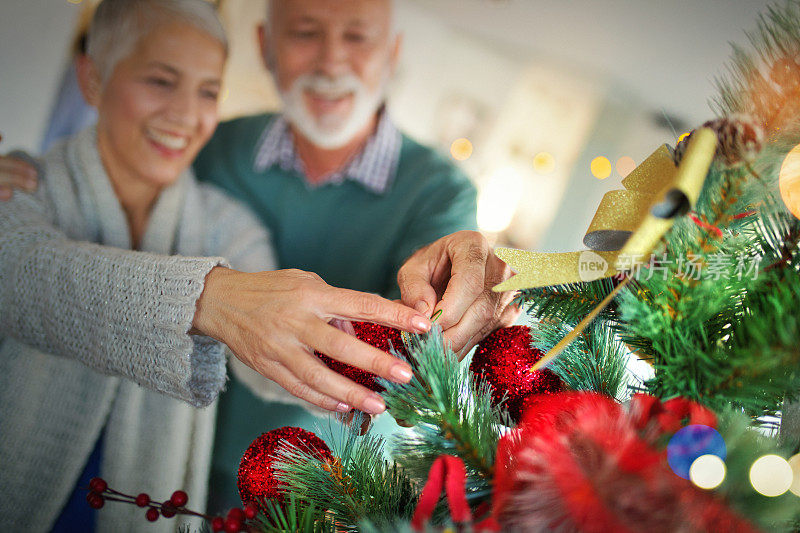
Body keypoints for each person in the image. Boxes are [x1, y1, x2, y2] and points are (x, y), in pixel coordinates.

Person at [0, 0, 518, 513]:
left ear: (392, 52)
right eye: (305, 32)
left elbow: (288, 315)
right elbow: (28, 270)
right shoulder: (214, 147)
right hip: (189, 469)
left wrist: (460, 307)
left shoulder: (435, 191)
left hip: (320, 481)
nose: (331, 61)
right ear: (265, 47)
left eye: (357, 36)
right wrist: (213, 299)